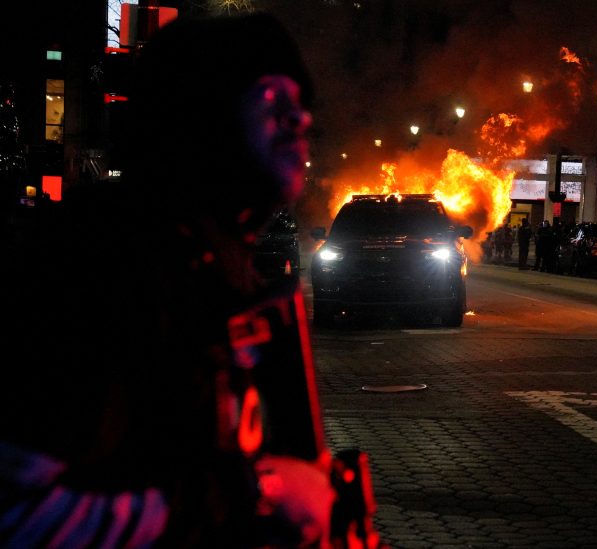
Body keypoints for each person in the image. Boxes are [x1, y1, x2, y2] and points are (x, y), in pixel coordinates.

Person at [0, 13, 367, 548]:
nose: (299, 120)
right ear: (202, 115)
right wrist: (257, 499)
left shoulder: (214, 256)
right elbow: (15, 512)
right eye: (271, 99)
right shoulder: (102, 262)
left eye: (301, 103)